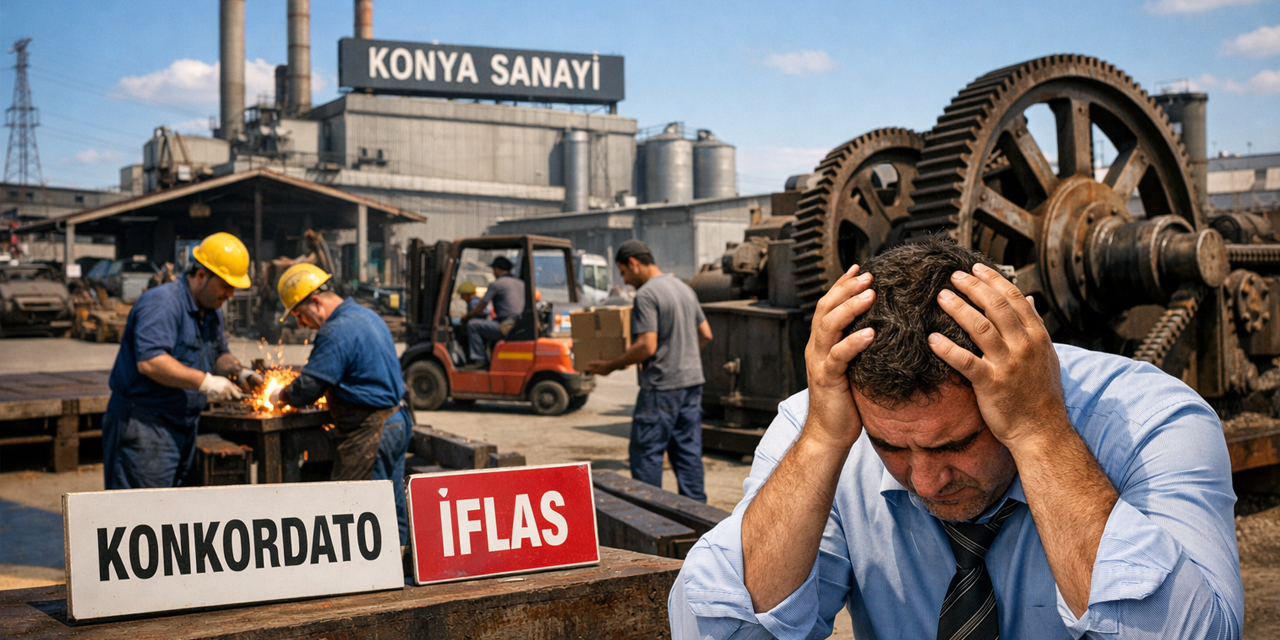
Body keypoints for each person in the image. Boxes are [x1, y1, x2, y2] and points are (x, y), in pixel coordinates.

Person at [670, 238, 1242, 638]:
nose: (925, 482)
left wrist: (1040, 431)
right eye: (890, 447)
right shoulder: (822, 424)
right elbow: (720, 633)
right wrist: (822, 443)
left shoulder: (1150, 421)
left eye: (954, 446)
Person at [103, 232, 262, 489]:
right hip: (146, 425)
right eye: (226, 286)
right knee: (144, 513)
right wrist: (206, 382)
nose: (230, 295)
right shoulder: (163, 304)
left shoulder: (211, 310)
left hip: (184, 424)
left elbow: (219, 354)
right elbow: (151, 362)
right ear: (201, 276)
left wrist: (240, 373)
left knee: (174, 514)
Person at [270, 263, 414, 545]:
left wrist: (280, 396)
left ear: (315, 302)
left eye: (299, 315)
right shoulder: (366, 315)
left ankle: (367, 581)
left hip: (371, 430)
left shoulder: (335, 331)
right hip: (397, 420)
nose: (300, 323)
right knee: (390, 499)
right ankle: (400, 566)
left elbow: (307, 389)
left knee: (352, 508)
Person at [586, 240, 714, 502]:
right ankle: (699, 518)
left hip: (660, 389)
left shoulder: (646, 295)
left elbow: (646, 345)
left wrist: (610, 366)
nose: (625, 280)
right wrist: (682, 356)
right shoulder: (684, 289)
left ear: (633, 263)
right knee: (688, 454)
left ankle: (651, 517)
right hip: (691, 384)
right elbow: (706, 334)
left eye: (623, 272)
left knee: (647, 455)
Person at [460, 256, 525, 367]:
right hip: (520, 324)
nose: (493, 273)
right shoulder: (521, 283)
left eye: (493, 270)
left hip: (507, 325)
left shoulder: (497, 284)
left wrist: (467, 316)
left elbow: (480, 308)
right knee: (492, 322)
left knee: (472, 325)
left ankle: (480, 360)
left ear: (497, 269)